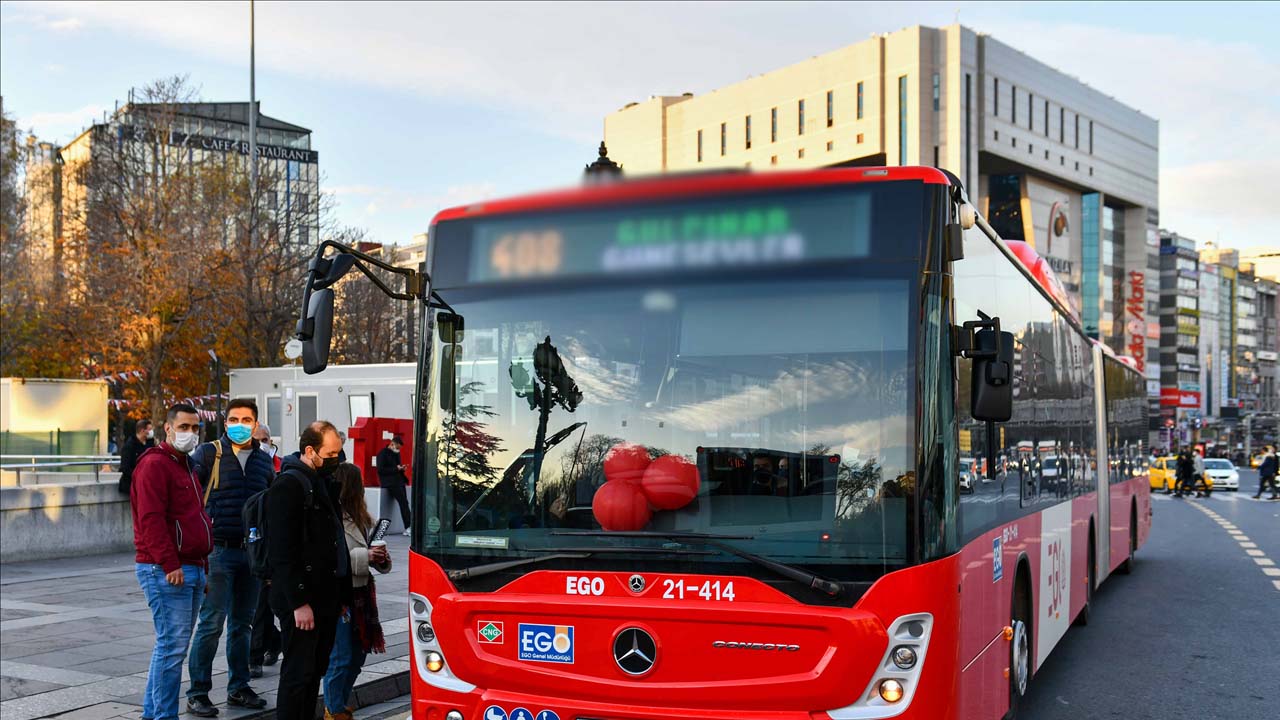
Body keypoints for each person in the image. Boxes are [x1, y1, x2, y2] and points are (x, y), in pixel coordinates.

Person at [185, 399, 273, 715]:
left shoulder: (264, 462)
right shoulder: (208, 454)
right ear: (225, 423)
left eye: (246, 419)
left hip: (251, 553)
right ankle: (198, 692)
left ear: (255, 423)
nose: (240, 424)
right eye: (234, 418)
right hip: (218, 552)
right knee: (211, 624)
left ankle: (238, 687)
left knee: (243, 625)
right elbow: (187, 493)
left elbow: (270, 508)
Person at [131, 404, 213, 720]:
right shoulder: (155, 465)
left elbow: (196, 517)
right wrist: (169, 564)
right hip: (166, 568)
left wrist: (201, 567)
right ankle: (164, 715)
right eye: (184, 427)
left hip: (190, 566)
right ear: (168, 428)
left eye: (195, 428)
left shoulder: (185, 466)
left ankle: (155, 714)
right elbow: (150, 520)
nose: (190, 434)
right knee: (171, 648)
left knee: (172, 648)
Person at [268, 421, 351, 720]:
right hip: (302, 601)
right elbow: (282, 552)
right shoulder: (289, 486)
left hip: (325, 597)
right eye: (331, 454)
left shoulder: (323, 483)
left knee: (315, 670)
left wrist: (341, 597)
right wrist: (299, 602)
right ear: (310, 451)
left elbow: (333, 542)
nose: (337, 461)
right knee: (298, 674)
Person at [322, 463, 390, 720]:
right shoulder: (332, 517)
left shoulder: (361, 517)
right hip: (341, 594)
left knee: (359, 654)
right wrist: (366, 555)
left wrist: (380, 558)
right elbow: (330, 559)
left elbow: (371, 557)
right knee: (341, 656)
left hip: (361, 593)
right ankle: (334, 709)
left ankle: (340, 702)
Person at [249, 423, 282, 678]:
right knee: (255, 606)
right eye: (257, 439)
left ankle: (255, 656)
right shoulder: (247, 465)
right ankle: (274, 642)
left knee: (263, 605)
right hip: (248, 541)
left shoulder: (279, 465)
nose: (262, 443)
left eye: (265, 438)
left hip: (268, 544)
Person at [376, 436, 412, 536]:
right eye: (397, 447)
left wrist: (401, 468)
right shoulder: (382, 454)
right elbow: (381, 470)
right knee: (403, 503)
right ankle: (408, 526)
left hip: (399, 481)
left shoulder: (396, 454)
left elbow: (396, 467)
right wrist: (396, 469)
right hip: (390, 483)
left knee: (405, 503)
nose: (398, 450)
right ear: (392, 444)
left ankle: (409, 526)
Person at [119, 418, 156, 496]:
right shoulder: (129, 446)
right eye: (150, 429)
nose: (151, 432)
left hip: (146, 484)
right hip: (132, 485)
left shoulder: (150, 444)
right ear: (142, 431)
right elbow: (125, 468)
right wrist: (140, 476)